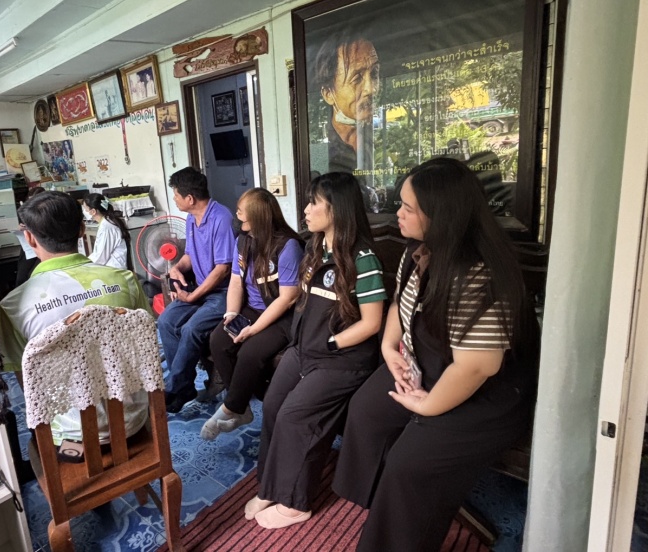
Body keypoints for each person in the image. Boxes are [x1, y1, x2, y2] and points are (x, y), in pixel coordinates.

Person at [331, 158, 540, 551]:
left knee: (409, 465)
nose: (398, 213)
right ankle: (382, 506)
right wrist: (389, 349)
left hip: (483, 394)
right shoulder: (419, 250)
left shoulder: (477, 273)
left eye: (408, 208)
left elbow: (478, 367)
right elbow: (400, 304)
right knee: (366, 411)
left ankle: (401, 522)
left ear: (441, 215)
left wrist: (427, 406)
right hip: (429, 365)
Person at [245, 172, 386, 529]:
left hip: (342, 359)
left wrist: (331, 342)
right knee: (273, 406)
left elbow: (372, 323)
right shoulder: (314, 247)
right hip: (304, 350)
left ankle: (296, 503)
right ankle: (271, 486)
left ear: (336, 209)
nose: (305, 210)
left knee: (295, 417)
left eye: (313, 203)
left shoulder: (363, 258)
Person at [0, 191, 151, 444]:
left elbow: (29, 385)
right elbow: (144, 347)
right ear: (81, 230)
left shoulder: (13, 306)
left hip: (70, 438)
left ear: (29, 238)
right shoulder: (125, 281)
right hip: (133, 421)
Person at [201, 188, 304, 440]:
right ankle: (242, 407)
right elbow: (236, 281)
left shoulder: (287, 246)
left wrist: (254, 329)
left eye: (241, 211)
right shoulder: (243, 241)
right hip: (252, 308)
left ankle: (231, 407)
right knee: (218, 340)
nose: (237, 215)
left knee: (249, 352)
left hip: (281, 314)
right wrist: (231, 313)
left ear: (258, 215)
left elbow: (287, 298)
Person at [157, 167, 235, 413]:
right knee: (166, 321)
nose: (174, 199)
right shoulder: (192, 218)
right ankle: (184, 386)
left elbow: (223, 268)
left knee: (191, 329)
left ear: (189, 198)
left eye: (176, 195)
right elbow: (189, 255)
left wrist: (193, 296)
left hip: (223, 292)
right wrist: (177, 268)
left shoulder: (221, 218)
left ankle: (174, 389)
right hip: (200, 289)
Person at [312, 33, 380, 176]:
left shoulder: (377, 141)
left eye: (374, 74)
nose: (371, 89)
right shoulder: (320, 158)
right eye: (357, 79)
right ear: (328, 94)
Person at [83, 193, 130, 270]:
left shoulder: (107, 227)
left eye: (85, 209)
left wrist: (84, 265)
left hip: (114, 270)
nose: (84, 211)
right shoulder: (106, 222)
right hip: (110, 268)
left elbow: (100, 258)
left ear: (93, 211)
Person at [15, 186, 45, 286]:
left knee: (33, 276)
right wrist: (21, 227)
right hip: (28, 248)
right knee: (22, 278)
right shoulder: (26, 212)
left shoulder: (47, 213)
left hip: (43, 247)